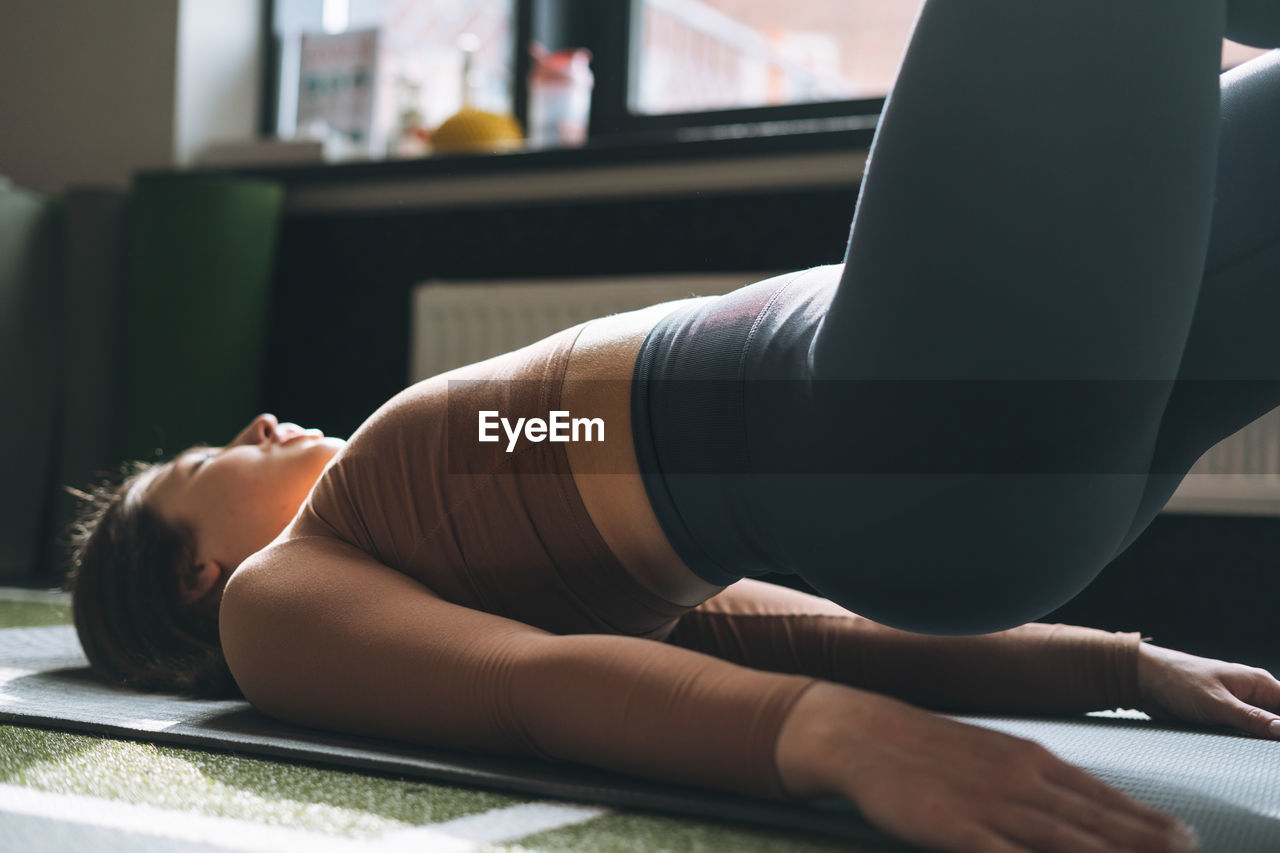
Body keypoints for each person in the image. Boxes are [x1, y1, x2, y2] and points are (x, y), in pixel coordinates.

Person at [65, 3, 1280, 852]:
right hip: (912, 439)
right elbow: (533, 688)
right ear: (194, 569)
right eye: (197, 462)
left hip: (953, 468)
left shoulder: (453, 522)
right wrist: (831, 741)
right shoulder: (276, 598)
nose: (257, 420)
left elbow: (806, 634)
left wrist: (1114, 666)